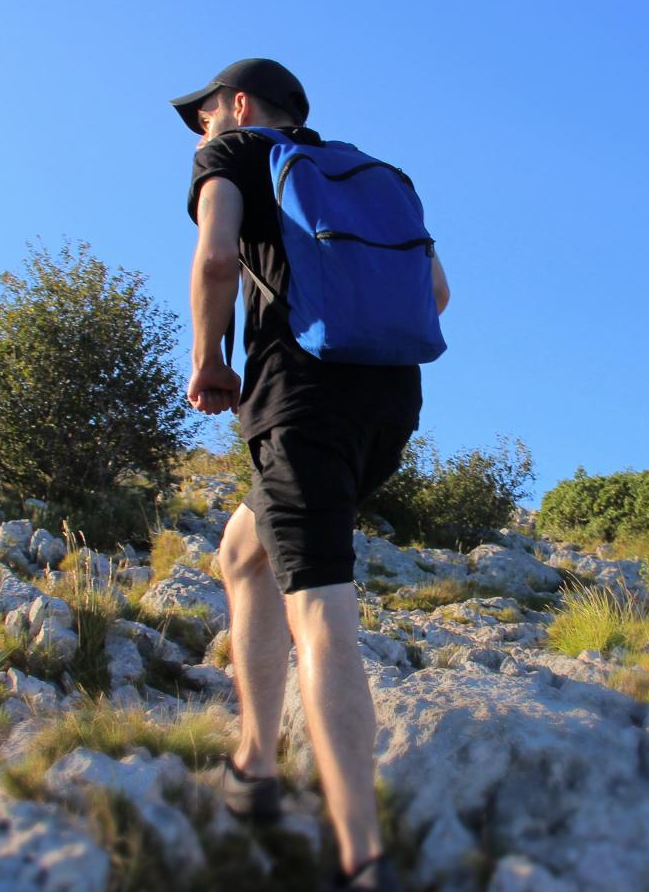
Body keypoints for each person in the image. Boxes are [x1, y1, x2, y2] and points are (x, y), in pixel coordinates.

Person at [172, 58, 450, 892]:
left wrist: (210, 359)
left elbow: (217, 258)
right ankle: (257, 764)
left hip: (299, 402)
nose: (202, 128)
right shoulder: (376, 174)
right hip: (390, 403)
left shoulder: (233, 156)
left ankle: (363, 858)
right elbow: (435, 291)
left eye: (207, 113)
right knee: (242, 551)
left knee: (322, 615)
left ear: (243, 106)